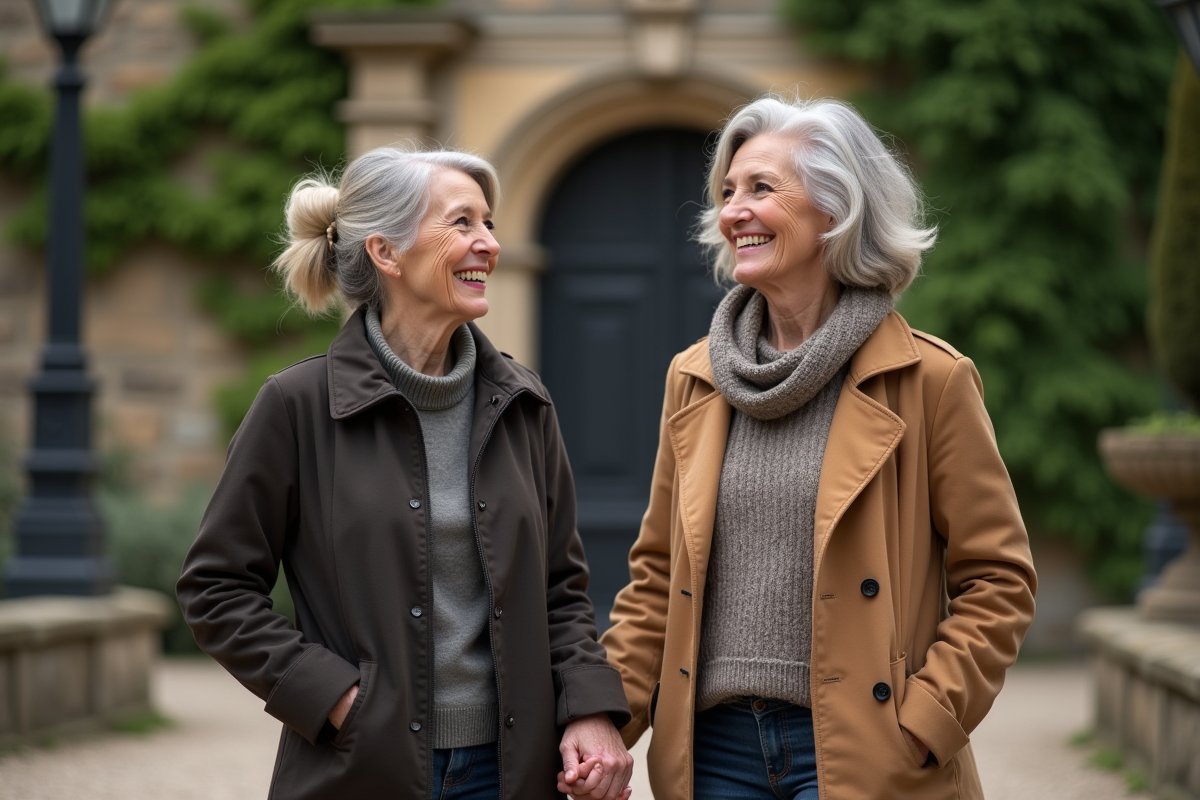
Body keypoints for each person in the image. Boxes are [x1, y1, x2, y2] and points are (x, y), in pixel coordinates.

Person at [600, 96, 1038, 800]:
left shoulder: (930, 378)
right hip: (713, 755)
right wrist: (603, 721)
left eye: (761, 188)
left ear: (835, 211)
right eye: (728, 192)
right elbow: (656, 580)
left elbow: (998, 581)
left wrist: (925, 721)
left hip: (865, 752)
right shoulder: (694, 378)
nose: (732, 210)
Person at [177, 146, 634, 800]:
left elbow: (561, 589)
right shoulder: (296, 406)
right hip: (362, 770)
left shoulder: (523, 402)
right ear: (387, 254)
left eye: (490, 225)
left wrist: (590, 709)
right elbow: (215, 588)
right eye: (462, 224)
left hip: (511, 771)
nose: (489, 246)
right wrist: (335, 698)